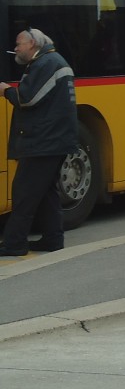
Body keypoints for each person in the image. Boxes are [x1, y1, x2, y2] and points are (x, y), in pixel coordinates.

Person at [0, 28, 79, 256]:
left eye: (19, 44)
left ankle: (15, 243)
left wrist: (6, 91)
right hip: (54, 139)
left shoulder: (45, 63)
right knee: (46, 192)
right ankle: (53, 239)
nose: (15, 48)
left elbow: (27, 98)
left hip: (44, 141)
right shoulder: (51, 60)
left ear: (33, 43)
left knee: (24, 192)